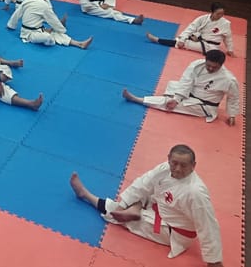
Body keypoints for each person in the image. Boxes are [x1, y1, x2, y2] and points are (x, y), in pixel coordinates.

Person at [69, 144, 224, 266]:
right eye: (174, 163)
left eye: (183, 165)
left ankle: (85, 195)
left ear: (193, 165)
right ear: (168, 159)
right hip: (162, 206)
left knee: (118, 214)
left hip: (173, 230)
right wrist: (123, 205)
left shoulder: (196, 193)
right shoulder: (165, 168)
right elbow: (144, 183)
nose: (177, 169)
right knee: (143, 188)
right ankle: (133, 208)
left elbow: (208, 225)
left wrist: (214, 261)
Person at [122, 49, 239, 125]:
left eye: (215, 67)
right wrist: (177, 98)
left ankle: (137, 99)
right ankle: (173, 99)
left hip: (204, 105)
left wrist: (232, 115)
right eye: (208, 65)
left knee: (169, 103)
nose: (211, 68)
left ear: (221, 65)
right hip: (191, 93)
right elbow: (186, 81)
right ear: (205, 60)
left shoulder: (229, 79)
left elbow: (233, 97)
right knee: (173, 84)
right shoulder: (197, 65)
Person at [7, 0, 93, 49]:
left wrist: (11, 25)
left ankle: (79, 44)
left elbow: (16, 14)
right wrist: (61, 29)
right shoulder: (44, 5)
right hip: (29, 35)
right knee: (49, 37)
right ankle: (52, 32)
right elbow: (53, 20)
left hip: (36, 30)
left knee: (55, 33)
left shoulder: (27, 1)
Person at [146, 2, 234, 56]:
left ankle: (157, 40)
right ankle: (175, 40)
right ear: (211, 12)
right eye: (218, 14)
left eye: (222, 14)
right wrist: (183, 38)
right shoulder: (203, 18)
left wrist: (230, 50)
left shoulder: (225, 23)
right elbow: (191, 28)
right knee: (181, 39)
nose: (220, 16)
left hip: (210, 46)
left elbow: (228, 38)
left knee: (181, 43)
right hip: (199, 38)